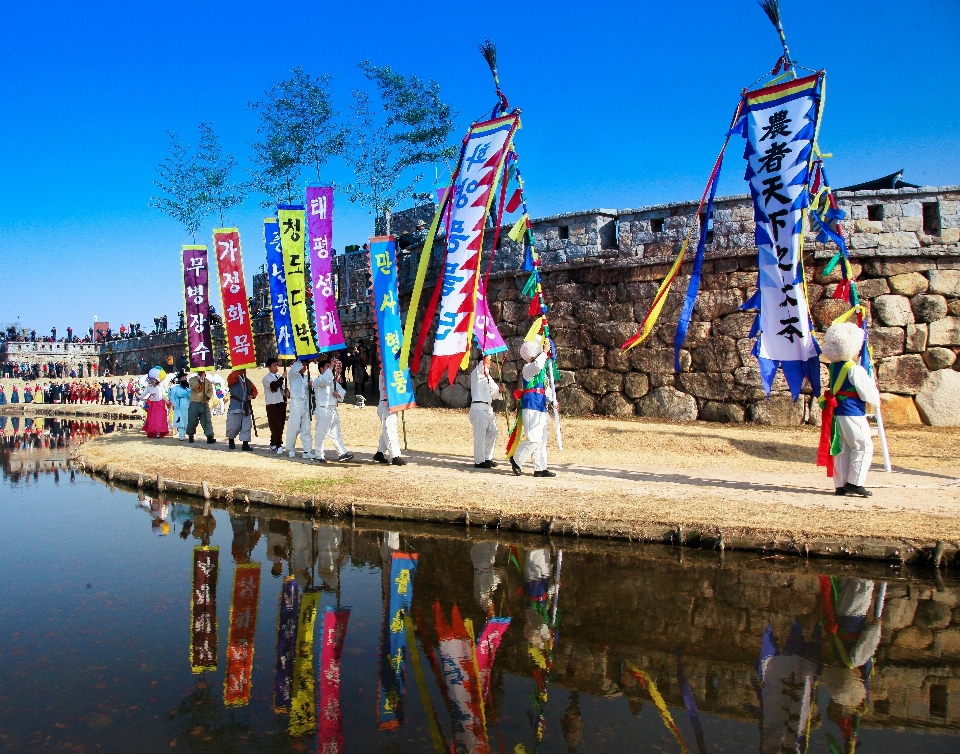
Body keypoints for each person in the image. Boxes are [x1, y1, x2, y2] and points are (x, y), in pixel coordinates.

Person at [818, 321, 881, 498]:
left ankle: (841, 484)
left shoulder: (834, 367)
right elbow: (867, 391)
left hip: (838, 413)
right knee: (863, 446)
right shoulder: (853, 369)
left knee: (842, 447)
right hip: (852, 411)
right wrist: (876, 402)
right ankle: (855, 482)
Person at [510, 340, 556, 478]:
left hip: (541, 406)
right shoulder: (528, 368)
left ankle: (540, 468)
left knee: (542, 439)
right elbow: (537, 365)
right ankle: (517, 460)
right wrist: (545, 352)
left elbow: (547, 389)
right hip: (530, 405)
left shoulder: (543, 374)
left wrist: (553, 401)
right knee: (534, 439)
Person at [312, 356, 353, 463]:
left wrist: (338, 395)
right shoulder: (318, 381)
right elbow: (325, 379)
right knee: (322, 434)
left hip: (333, 410)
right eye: (327, 367)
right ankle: (319, 455)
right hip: (323, 409)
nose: (330, 369)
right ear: (321, 369)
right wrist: (332, 366)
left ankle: (342, 453)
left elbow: (342, 391)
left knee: (336, 433)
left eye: (330, 367)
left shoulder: (333, 382)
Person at [470, 353, 501, 469]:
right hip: (478, 408)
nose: (490, 362)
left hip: (488, 408)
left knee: (493, 431)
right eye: (489, 360)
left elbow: (495, 393)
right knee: (480, 435)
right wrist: (485, 351)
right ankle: (479, 461)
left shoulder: (488, 377)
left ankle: (487, 457)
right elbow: (481, 366)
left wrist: (500, 391)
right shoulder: (477, 373)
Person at [373, 370, 406, 466]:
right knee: (389, 429)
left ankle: (380, 452)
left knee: (387, 429)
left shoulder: (390, 369)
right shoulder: (386, 370)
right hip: (387, 403)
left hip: (390, 403)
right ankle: (395, 456)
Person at [284, 358, 314, 459]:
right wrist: (301, 358)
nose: (304, 367)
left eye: (305, 366)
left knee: (306, 428)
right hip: (296, 401)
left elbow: (313, 390)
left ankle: (307, 450)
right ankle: (291, 449)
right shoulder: (293, 376)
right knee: (294, 426)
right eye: (303, 365)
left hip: (305, 403)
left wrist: (311, 386)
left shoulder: (306, 378)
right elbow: (294, 368)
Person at [225, 368, 258, 451]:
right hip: (235, 406)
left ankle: (245, 444)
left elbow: (254, 390)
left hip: (246, 406)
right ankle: (231, 440)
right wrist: (239, 370)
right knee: (233, 425)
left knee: (246, 426)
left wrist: (252, 396)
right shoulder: (234, 378)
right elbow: (230, 379)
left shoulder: (247, 381)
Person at [262, 358, 286, 452]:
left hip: (281, 402)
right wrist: (282, 378)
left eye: (277, 365)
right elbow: (274, 386)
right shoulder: (266, 378)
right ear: (269, 367)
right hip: (272, 403)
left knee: (281, 424)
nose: (276, 367)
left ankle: (273, 443)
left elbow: (282, 387)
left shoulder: (278, 376)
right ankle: (278, 444)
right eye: (274, 365)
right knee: (275, 425)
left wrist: (286, 392)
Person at [186, 371, 216, 444]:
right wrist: (199, 381)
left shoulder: (207, 381)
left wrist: (207, 397)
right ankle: (190, 435)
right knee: (192, 420)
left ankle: (209, 436)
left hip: (204, 403)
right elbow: (193, 388)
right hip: (194, 402)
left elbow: (210, 390)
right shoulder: (192, 379)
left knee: (206, 419)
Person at [141, 373, 170, 438]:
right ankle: (154, 432)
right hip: (153, 405)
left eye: (153, 379)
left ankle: (159, 432)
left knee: (159, 418)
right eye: (151, 379)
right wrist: (141, 398)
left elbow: (163, 396)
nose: (152, 381)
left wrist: (167, 403)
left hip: (160, 404)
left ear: (157, 380)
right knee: (153, 418)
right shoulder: (149, 388)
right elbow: (144, 394)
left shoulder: (160, 387)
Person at [168, 372, 192, 440]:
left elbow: (191, 396)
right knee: (180, 418)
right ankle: (181, 433)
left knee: (187, 418)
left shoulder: (189, 387)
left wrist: (189, 392)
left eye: (185, 378)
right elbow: (172, 396)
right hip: (179, 404)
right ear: (179, 379)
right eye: (182, 378)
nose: (184, 379)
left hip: (187, 403)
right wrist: (175, 404)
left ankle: (188, 432)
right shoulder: (176, 388)